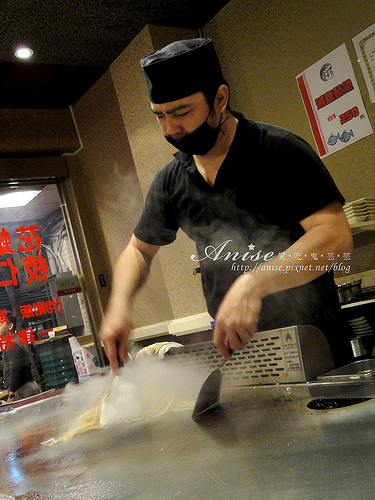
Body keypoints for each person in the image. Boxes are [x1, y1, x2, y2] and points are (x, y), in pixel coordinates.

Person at [100, 38, 353, 371]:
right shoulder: (172, 180)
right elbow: (138, 250)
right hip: (238, 352)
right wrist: (118, 305)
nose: (170, 129)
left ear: (220, 98)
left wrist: (253, 283)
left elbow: (336, 239)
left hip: (313, 343)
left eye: (181, 113)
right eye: (159, 116)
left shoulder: (279, 151)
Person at [2, 313, 40, 402]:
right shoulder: (17, 340)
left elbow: (15, 369)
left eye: (0, 324)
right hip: (28, 387)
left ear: (10, 326)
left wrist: (11, 394)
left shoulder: (12, 344)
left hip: (23, 391)